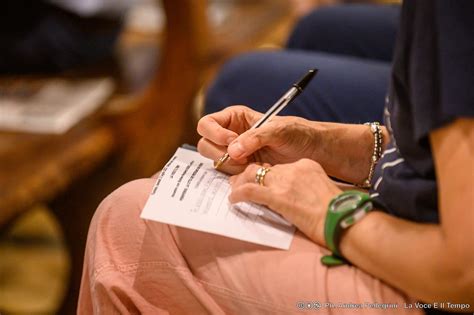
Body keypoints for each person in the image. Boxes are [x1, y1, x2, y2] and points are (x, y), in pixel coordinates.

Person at [78, 1, 474, 314]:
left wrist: (330, 212)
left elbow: (464, 274)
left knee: (125, 221)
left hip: (432, 293)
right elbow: (431, 164)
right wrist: (323, 143)